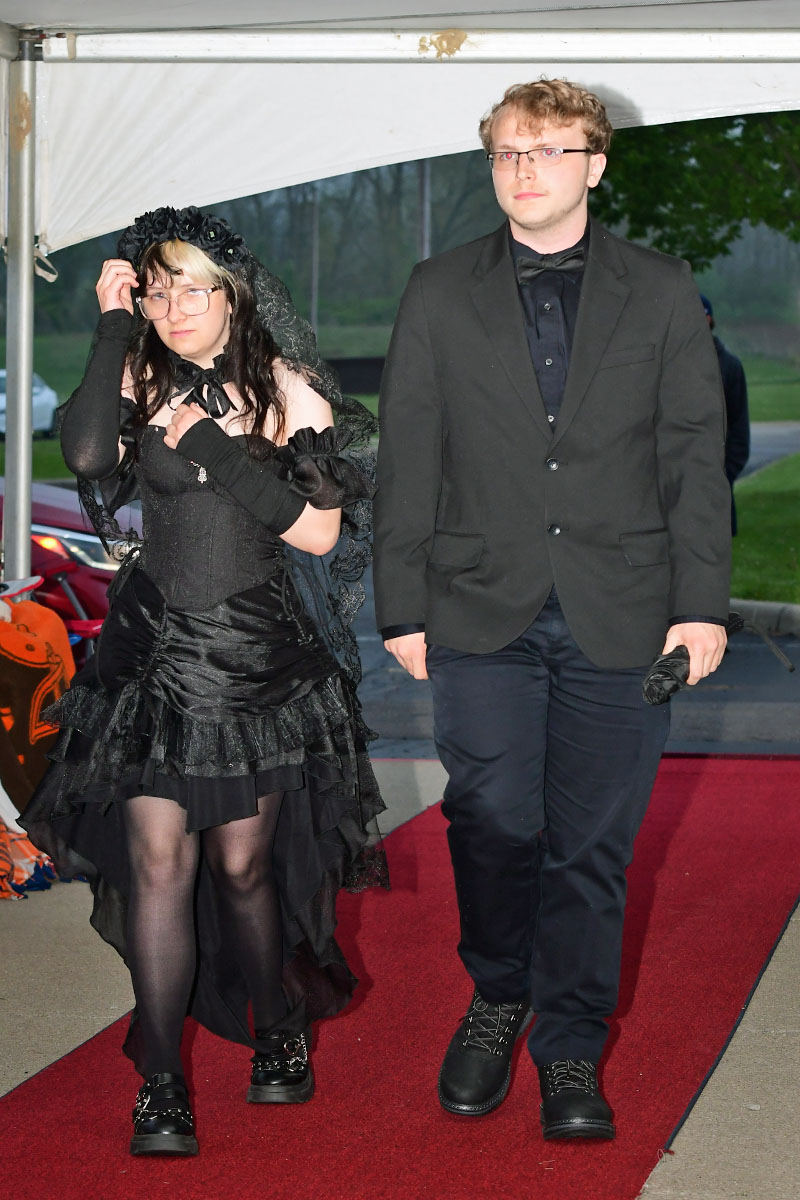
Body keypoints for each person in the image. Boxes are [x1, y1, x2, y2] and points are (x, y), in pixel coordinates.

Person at [373, 79, 730, 1141]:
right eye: (504, 153)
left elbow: (690, 460)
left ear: (593, 163)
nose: (522, 169)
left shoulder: (662, 289)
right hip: (477, 608)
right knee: (490, 823)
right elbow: (408, 457)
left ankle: (569, 1047)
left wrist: (700, 606)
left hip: (622, 613)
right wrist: (400, 605)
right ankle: (496, 994)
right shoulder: (437, 289)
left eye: (545, 149)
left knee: (590, 846)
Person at [23, 206, 386, 1157]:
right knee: (156, 863)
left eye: (193, 288)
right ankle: (162, 1083)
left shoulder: (287, 388)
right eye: (158, 288)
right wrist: (110, 324)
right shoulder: (137, 371)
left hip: (255, 672)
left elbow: (317, 534)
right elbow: (91, 456)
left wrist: (214, 447)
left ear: (233, 295)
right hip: (147, 662)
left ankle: (275, 1028)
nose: (174, 306)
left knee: (241, 869)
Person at [700, 294, 750, 534]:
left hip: (717, 479)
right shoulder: (668, 364)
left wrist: (726, 472)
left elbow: (739, 428)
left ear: (710, 319)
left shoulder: (730, 367)